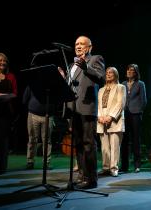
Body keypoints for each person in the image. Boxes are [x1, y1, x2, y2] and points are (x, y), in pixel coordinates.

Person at [59, 35, 105, 189]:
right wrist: (63, 79)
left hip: (86, 109)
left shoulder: (95, 59)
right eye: (76, 43)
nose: (78, 46)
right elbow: (70, 87)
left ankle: (91, 179)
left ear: (89, 47)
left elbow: (101, 78)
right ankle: (82, 176)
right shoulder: (71, 64)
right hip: (73, 110)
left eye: (81, 44)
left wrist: (86, 67)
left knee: (88, 144)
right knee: (78, 144)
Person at [97, 67, 126, 177]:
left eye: (111, 73)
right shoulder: (101, 90)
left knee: (114, 145)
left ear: (116, 75)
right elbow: (98, 105)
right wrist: (99, 116)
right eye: (107, 73)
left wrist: (111, 117)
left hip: (114, 119)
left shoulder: (120, 87)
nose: (108, 74)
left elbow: (120, 104)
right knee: (104, 146)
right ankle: (105, 167)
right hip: (101, 119)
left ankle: (113, 168)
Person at [120, 64, 147, 173]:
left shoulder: (140, 84)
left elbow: (144, 100)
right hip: (125, 114)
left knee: (136, 140)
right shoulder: (123, 84)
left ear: (136, 73)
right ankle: (124, 166)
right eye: (128, 70)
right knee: (124, 141)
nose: (129, 72)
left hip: (136, 114)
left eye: (132, 70)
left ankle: (137, 165)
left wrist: (139, 111)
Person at [22, 85, 55, 170]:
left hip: (48, 115)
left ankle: (46, 163)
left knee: (47, 140)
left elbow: (58, 99)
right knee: (32, 139)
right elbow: (25, 98)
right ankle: (30, 161)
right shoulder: (33, 82)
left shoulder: (53, 83)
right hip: (33, 114)